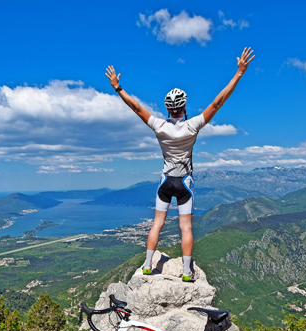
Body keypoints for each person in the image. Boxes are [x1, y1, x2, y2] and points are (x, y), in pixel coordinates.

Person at [105, 47, 255, 281]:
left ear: (167, 109)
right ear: (184, 108)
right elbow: (217, 103)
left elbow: (135, 107)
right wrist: (239, 74)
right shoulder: (192, 126)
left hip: (165, 182)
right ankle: (186, 272)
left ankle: (147, 265)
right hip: (185, 182)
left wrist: (117, 86)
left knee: (157, 224)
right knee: (186, 227)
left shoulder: (159, 126)